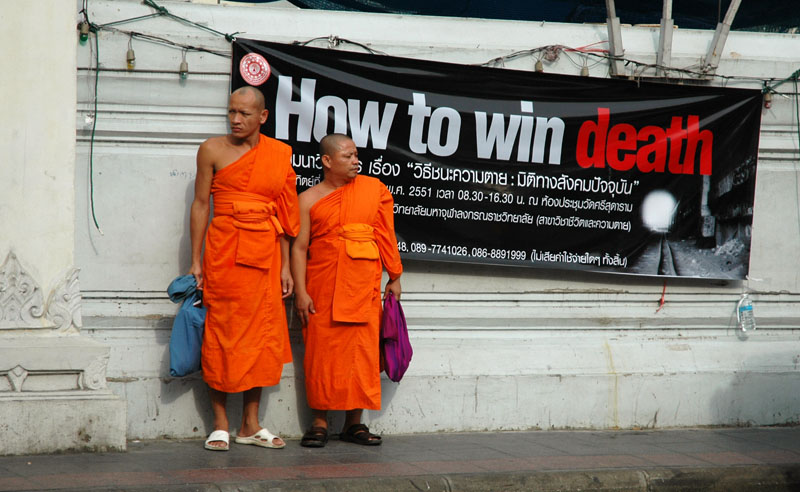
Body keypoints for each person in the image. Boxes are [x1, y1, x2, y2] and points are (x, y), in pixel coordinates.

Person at [189, 86, 299, 451]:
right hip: (225, 252)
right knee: (222, 332)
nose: (236, 120)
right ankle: (220, 422)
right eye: (231, 112)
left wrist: (286, 267)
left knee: (262, 336)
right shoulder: (212, 149)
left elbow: (284, 214)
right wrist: (195, 259)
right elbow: (201, 205)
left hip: (266, 255)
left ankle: (250, 424)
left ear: (263, 117)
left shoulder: (280, 154)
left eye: (245, 114)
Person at [291, 133, 403, 448]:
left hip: (364, 286)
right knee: (321, 355)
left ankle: (354, 423)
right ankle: (320, 423)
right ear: (327, 161)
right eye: (348, 156)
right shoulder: (309, 199)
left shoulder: (373, 190)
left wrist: (394, 276)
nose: (356, 161)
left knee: (362, 355)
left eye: (356, 155)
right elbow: (299, 249)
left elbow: (385, 233)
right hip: (323, 286)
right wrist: (301, 290)